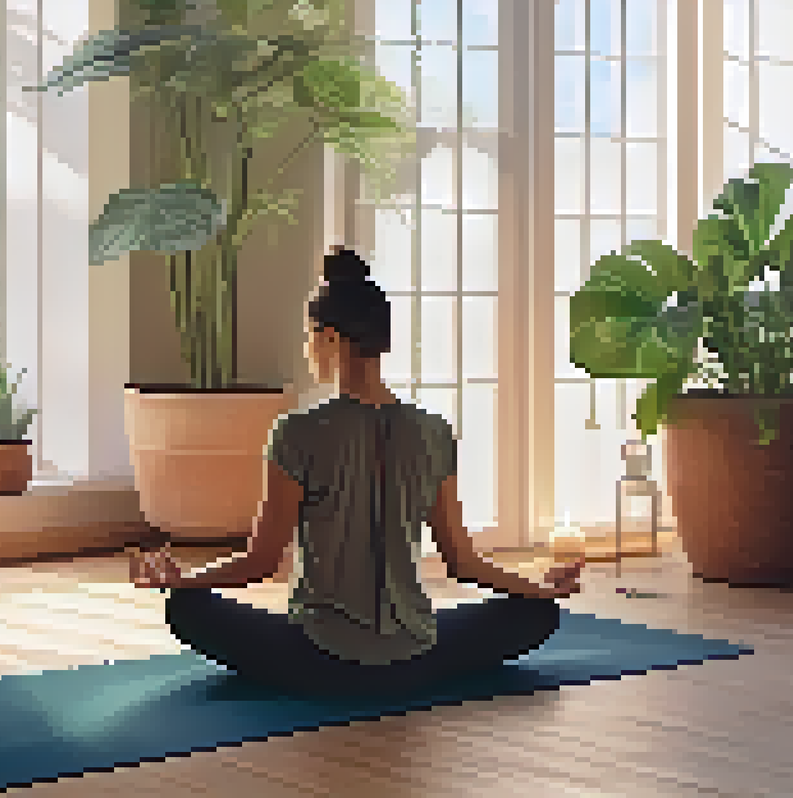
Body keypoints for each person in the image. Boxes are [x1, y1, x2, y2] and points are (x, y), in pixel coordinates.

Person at [130, 247, 586, 697]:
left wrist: (184, 579)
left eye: (310, 336)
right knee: (537, 615)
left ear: (329, 338)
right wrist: (536, 587)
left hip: (317, 658)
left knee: (187, 610)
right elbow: (461, 560)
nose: (308, 348)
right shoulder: (434, 431)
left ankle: (308, 667)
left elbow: (261, 562)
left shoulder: (296, 432)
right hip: (417, 657)